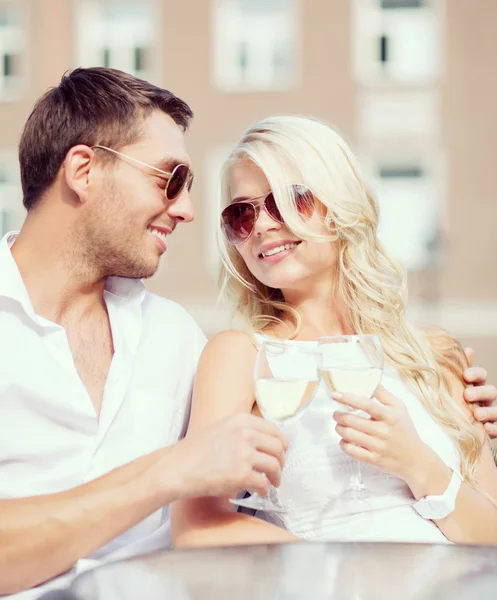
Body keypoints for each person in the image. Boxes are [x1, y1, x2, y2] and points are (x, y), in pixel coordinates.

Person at [0, 68, 289, 598]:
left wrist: (444, 404)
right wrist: (167, 472)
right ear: (84, 170)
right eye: (169, 179)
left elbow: (271, 465)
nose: (185, 210)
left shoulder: (174, 335)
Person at [171, 115, 497, 547]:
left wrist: (420, 465)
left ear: (339, 206)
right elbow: (196, 527)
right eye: (241, 214)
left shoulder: (434, 355)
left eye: (289, 200)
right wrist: (343, 574)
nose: (263, 225)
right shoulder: (242, 356)